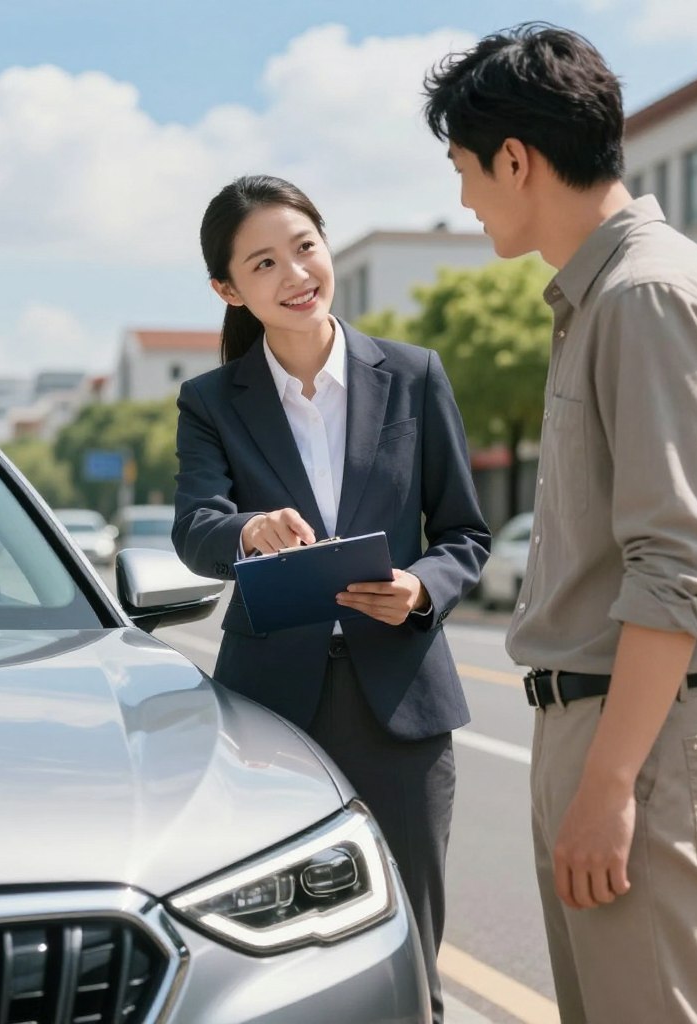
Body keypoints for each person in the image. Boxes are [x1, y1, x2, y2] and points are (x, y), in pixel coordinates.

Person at [423, 23, 697, 1024]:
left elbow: (677, 562)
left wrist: (607, 783)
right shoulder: (594, 296)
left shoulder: (642, 295)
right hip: (597, 726)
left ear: (515, 158)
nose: (463, 198)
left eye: (464, 169)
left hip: (636, 737)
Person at [172, 173, 490, 1023]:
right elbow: (194, 527)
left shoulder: (415, 377)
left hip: (403, 704)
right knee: (274, 937)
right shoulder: (210, 401)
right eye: (264, 262)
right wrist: (247, 531)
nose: (295, 274)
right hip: (270, 712)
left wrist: (423, 588)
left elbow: (466, 533)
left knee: (412, 938)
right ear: (229, 289)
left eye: (305, 247)